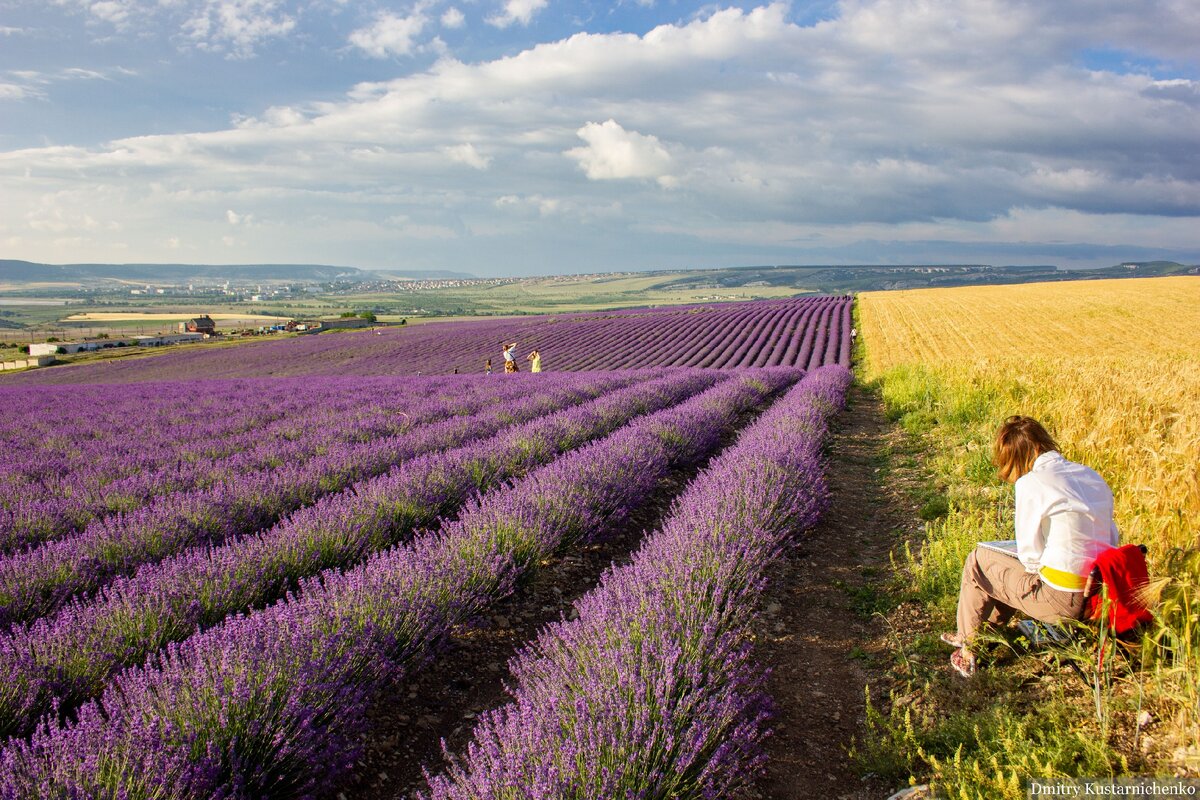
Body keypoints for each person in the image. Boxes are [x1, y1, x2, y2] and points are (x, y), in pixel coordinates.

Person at [944, 416, 1119, 678]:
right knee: (1001, 570)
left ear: (1015, 457)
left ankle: (967, 648)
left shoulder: (1032, 482)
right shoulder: (1089, 474)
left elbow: (1029, 557)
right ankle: (985, 634)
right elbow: (1112, 538)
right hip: (1099, 595)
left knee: (979, 561)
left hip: (1062, 602)